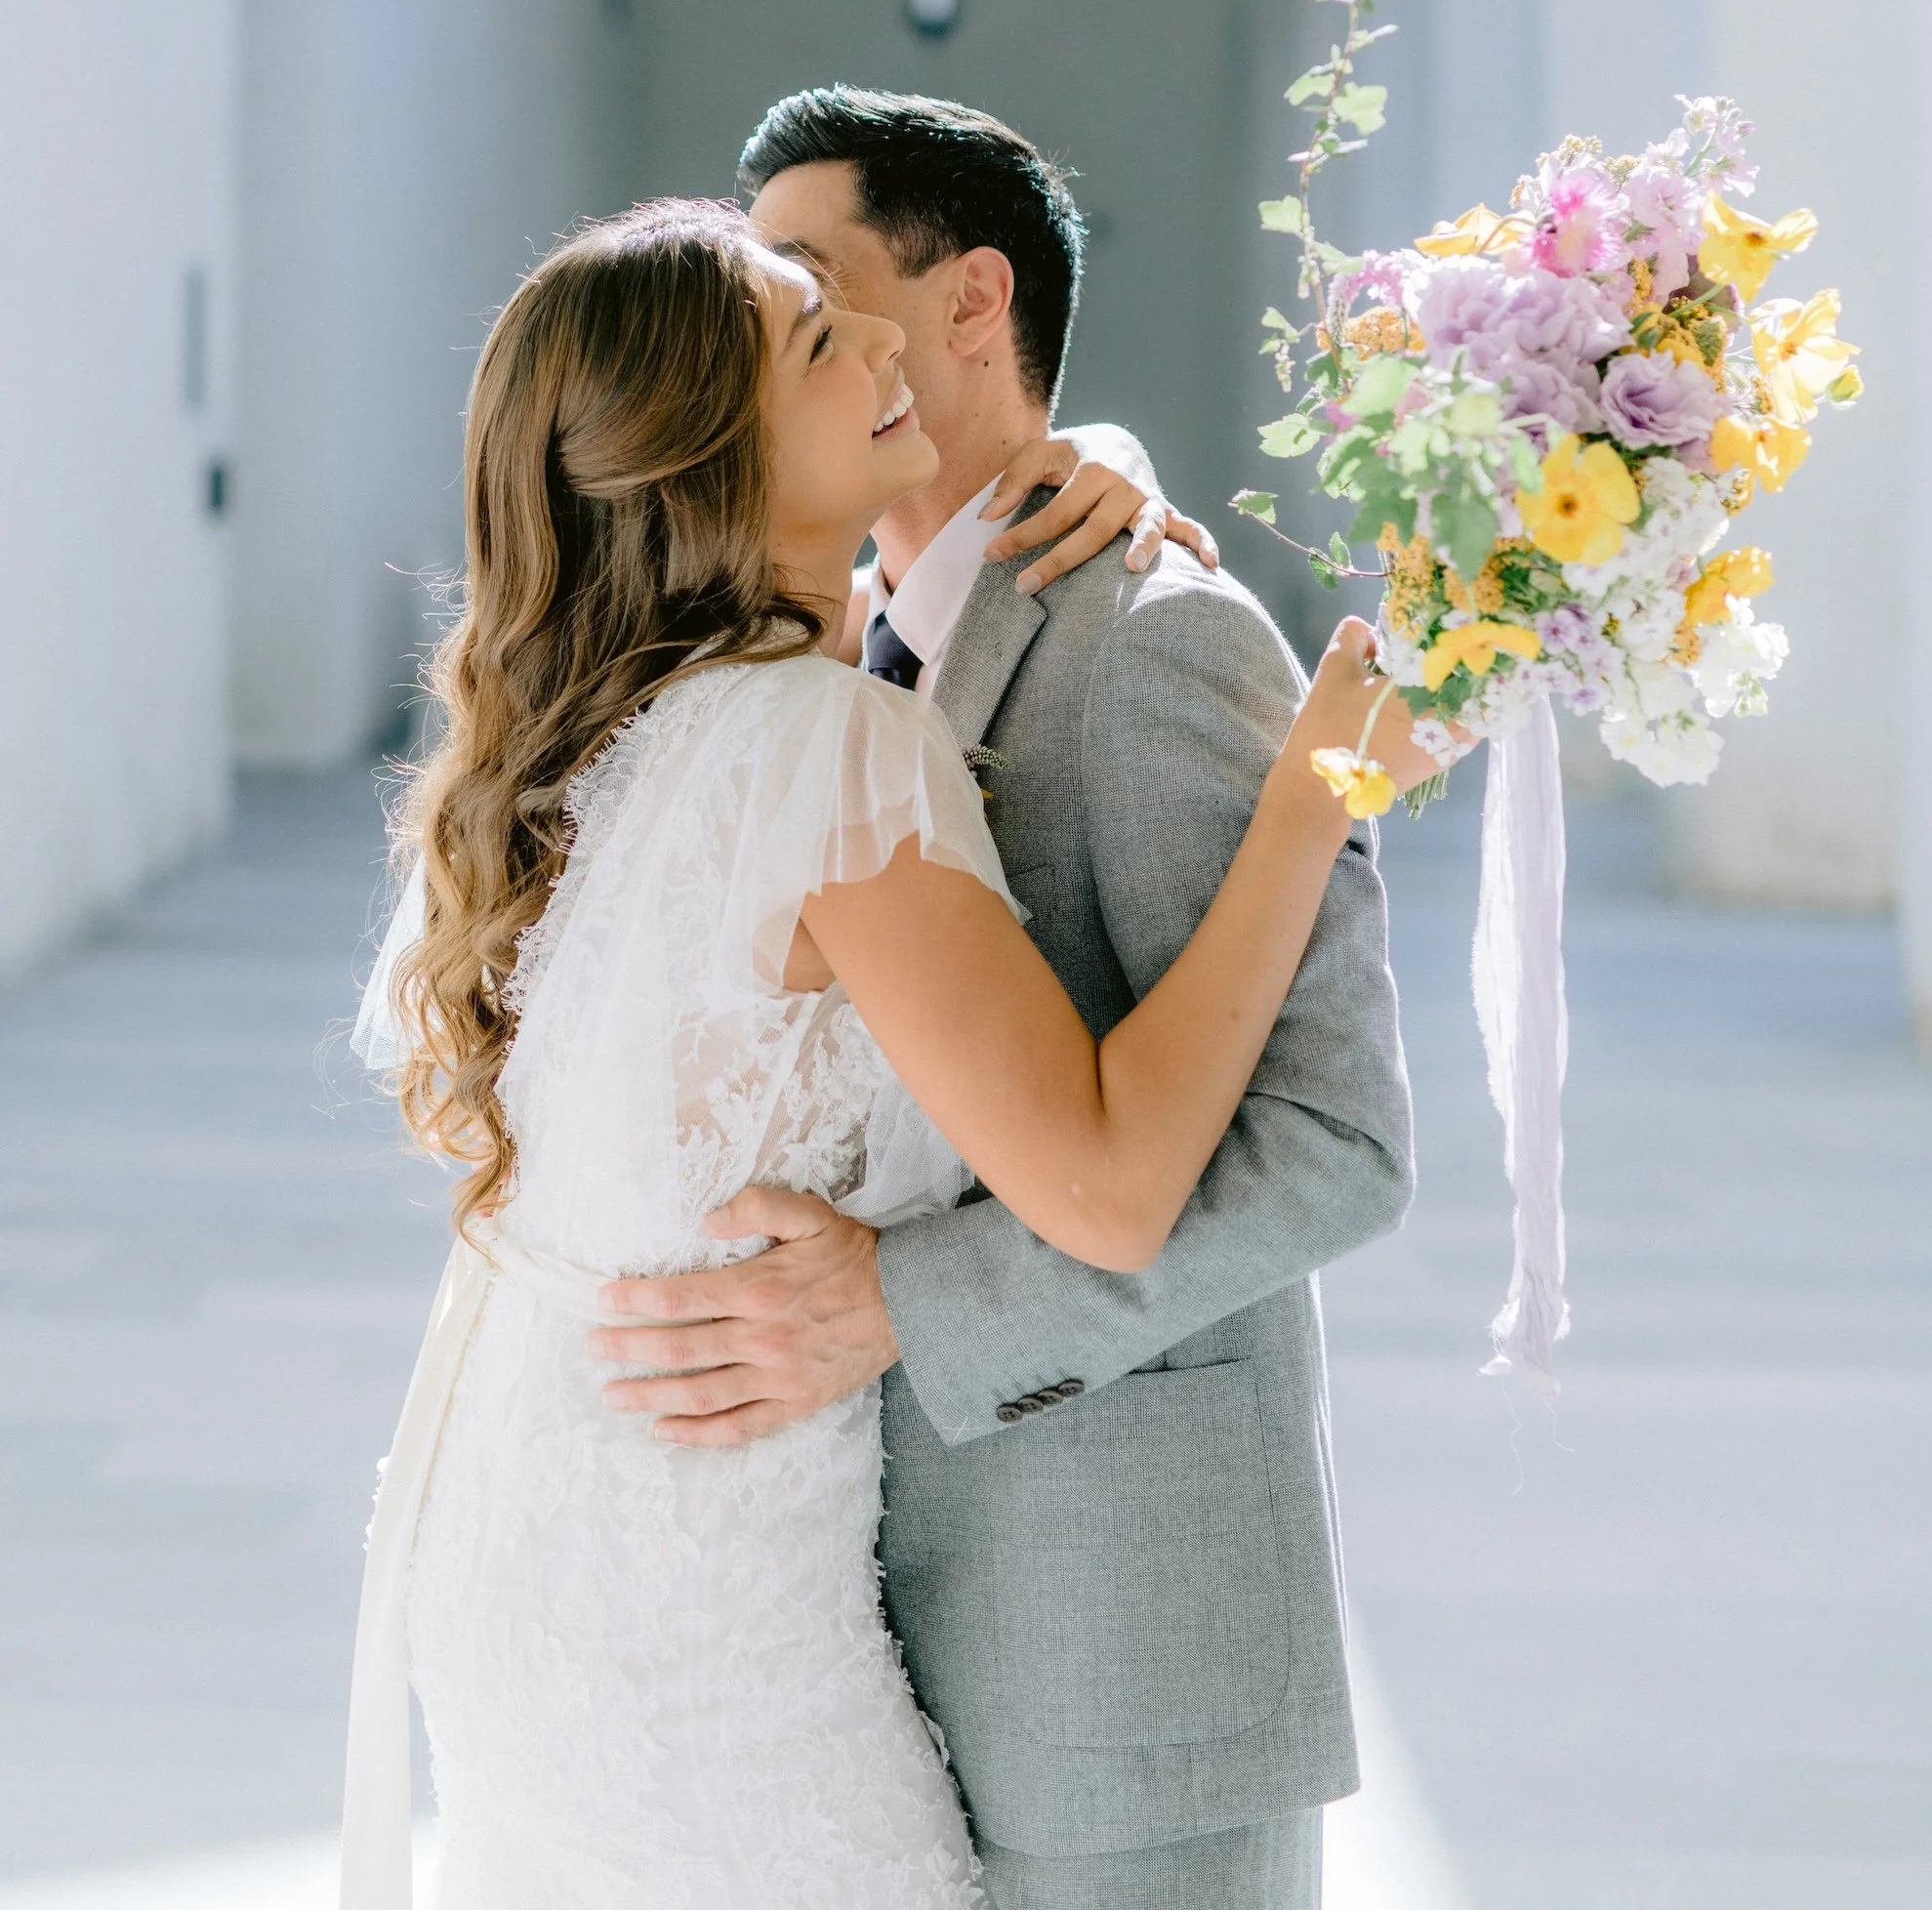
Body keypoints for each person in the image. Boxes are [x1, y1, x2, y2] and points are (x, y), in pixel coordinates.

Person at [342, 194, 1427, 1910]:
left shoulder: (612, 732)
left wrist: (1110, 476)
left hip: (544, 1551)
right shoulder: (824, 747)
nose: (877, 348)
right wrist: (1316, 794)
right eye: (813, 334)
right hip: (701, 1631)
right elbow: (1114, 1187)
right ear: (704, 453)